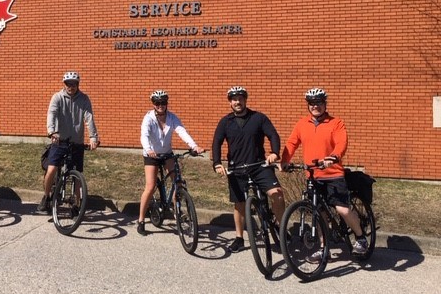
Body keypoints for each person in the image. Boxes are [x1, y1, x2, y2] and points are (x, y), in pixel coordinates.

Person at [281, 88, 368, 261]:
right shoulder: (302, 124)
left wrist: (333, 157)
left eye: (319, 103)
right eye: (312, 103)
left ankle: (360, 238)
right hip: (313, 176)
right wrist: (284, 160)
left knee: (342, 209)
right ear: (308, 105)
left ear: (324, 104)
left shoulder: (336, 123)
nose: (315, 106)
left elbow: (341, 142)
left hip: (333, 174)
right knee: (318, 213)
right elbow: (291, 143)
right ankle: (323, 249)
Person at [211, 86, 285, 252]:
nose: (237, 102)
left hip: (259, 166)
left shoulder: (258, 118)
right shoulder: (225, 122)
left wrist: (274, 153)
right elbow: (216, 142)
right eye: (234, 99)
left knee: (277, 194)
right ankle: (239, 238)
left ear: (245, 100)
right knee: (239, 204)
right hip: (237, 168)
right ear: (230, 102)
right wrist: (216, 163)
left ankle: (281, 229)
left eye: (240, 98)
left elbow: (273, 135)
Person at [138, 90, 204, 236]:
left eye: (163, 102)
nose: (160, 105)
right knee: (150, 186)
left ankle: (177, 212)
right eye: (157, 103)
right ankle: (141, 220)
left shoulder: (172, 117)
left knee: (178, 182)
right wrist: (148, 149)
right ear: (153, 104)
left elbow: (182, 131)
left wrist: (194, 146)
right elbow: (144, 135)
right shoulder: (148, 118)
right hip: (151, 155)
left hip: (167, 153)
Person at [37, 71, 99, 213]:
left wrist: (93, 137)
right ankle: (46, 197)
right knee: (51, 169)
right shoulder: (57, 97)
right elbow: (51, 114)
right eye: (68, 84)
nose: (71, 86)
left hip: (76, 142)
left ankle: (76, 204)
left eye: (74, 84)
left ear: (78, 84)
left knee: (78, 175)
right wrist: (52, 131)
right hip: (59, 141)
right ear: (64, 84)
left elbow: (89, 118)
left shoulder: (84, 99)